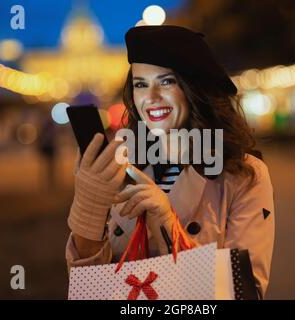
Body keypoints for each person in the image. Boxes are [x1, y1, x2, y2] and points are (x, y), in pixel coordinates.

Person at [65, 25, 275, 299]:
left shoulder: (245, 174)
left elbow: (247, 291)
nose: (151, 98)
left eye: (166, 81)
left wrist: (167, 223)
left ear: (195, 88)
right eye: (141, 84)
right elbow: (90, 291)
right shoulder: (119, 167)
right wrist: (88, 213)